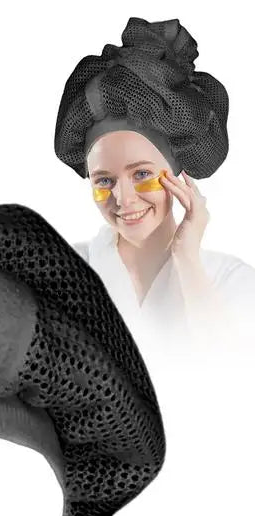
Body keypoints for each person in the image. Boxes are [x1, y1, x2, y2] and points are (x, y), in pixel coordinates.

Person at [54, 16, 255, 354]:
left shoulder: (233, 281)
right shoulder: (63, 271)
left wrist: (186, 259)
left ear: (177, 174)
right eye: (104, 180)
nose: (122, 198)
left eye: (141, 174)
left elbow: (234, 370)